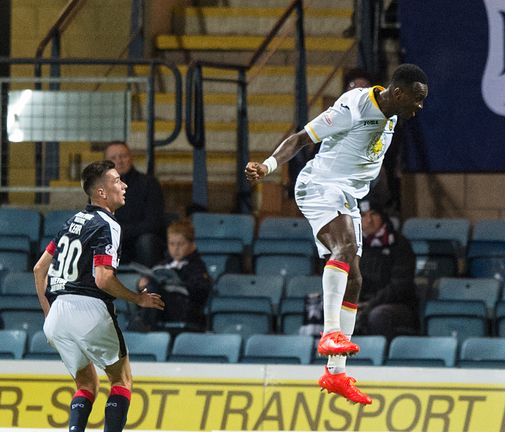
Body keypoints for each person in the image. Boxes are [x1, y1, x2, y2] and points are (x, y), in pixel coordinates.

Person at [245, 63, 428, 405]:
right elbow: (302, 138)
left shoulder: (391, 116)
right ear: (399, 92)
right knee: (343, 249)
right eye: (416, 100)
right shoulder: (357, 105)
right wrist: (268, 166)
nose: (419, 107)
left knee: (355, 279)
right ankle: (330, 334)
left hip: (346, 196)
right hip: (319, 185)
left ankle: (336, 373)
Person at [32, 160, 165, 432]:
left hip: (57, 314)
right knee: (121, 380)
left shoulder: (71, 222)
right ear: (102, 193)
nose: (124, 184)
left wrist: (49, 312)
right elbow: (103, 278)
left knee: (85, 385)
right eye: (117, 181)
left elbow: (39, 269)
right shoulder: (109, 224)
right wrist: (137, 298)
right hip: (89, 309)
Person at [132, 219, 213, 332]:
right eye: (172, 244)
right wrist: (141, 285)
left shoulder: (197, 267)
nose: (176, 249)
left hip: (185, 309)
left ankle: (144, 322)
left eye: (181, 244)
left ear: (192, 245)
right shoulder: (163, 264)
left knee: (155, 290)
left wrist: (178, 282)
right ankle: (144, 321)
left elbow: (200, 290)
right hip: (164, 309)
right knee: (150, 287)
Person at [356, 199, 419, 339]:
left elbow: (400, 286)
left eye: (373, 214)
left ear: (382, 216)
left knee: (378, 315)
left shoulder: (399, 244)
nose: (369, 220)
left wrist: (370, 304)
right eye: (363, 215)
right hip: (363, 302)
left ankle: (379, 357)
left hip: (396, 305)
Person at [104, 142, 165, 266]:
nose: (119, 161)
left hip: (140, 242)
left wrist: (122, 232)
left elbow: (153, 223)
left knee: (147, 241)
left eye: (123, 156)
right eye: (113, 158)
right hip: (114, 243)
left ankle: (150, 281)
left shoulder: (149, 184)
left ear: (131, 158)